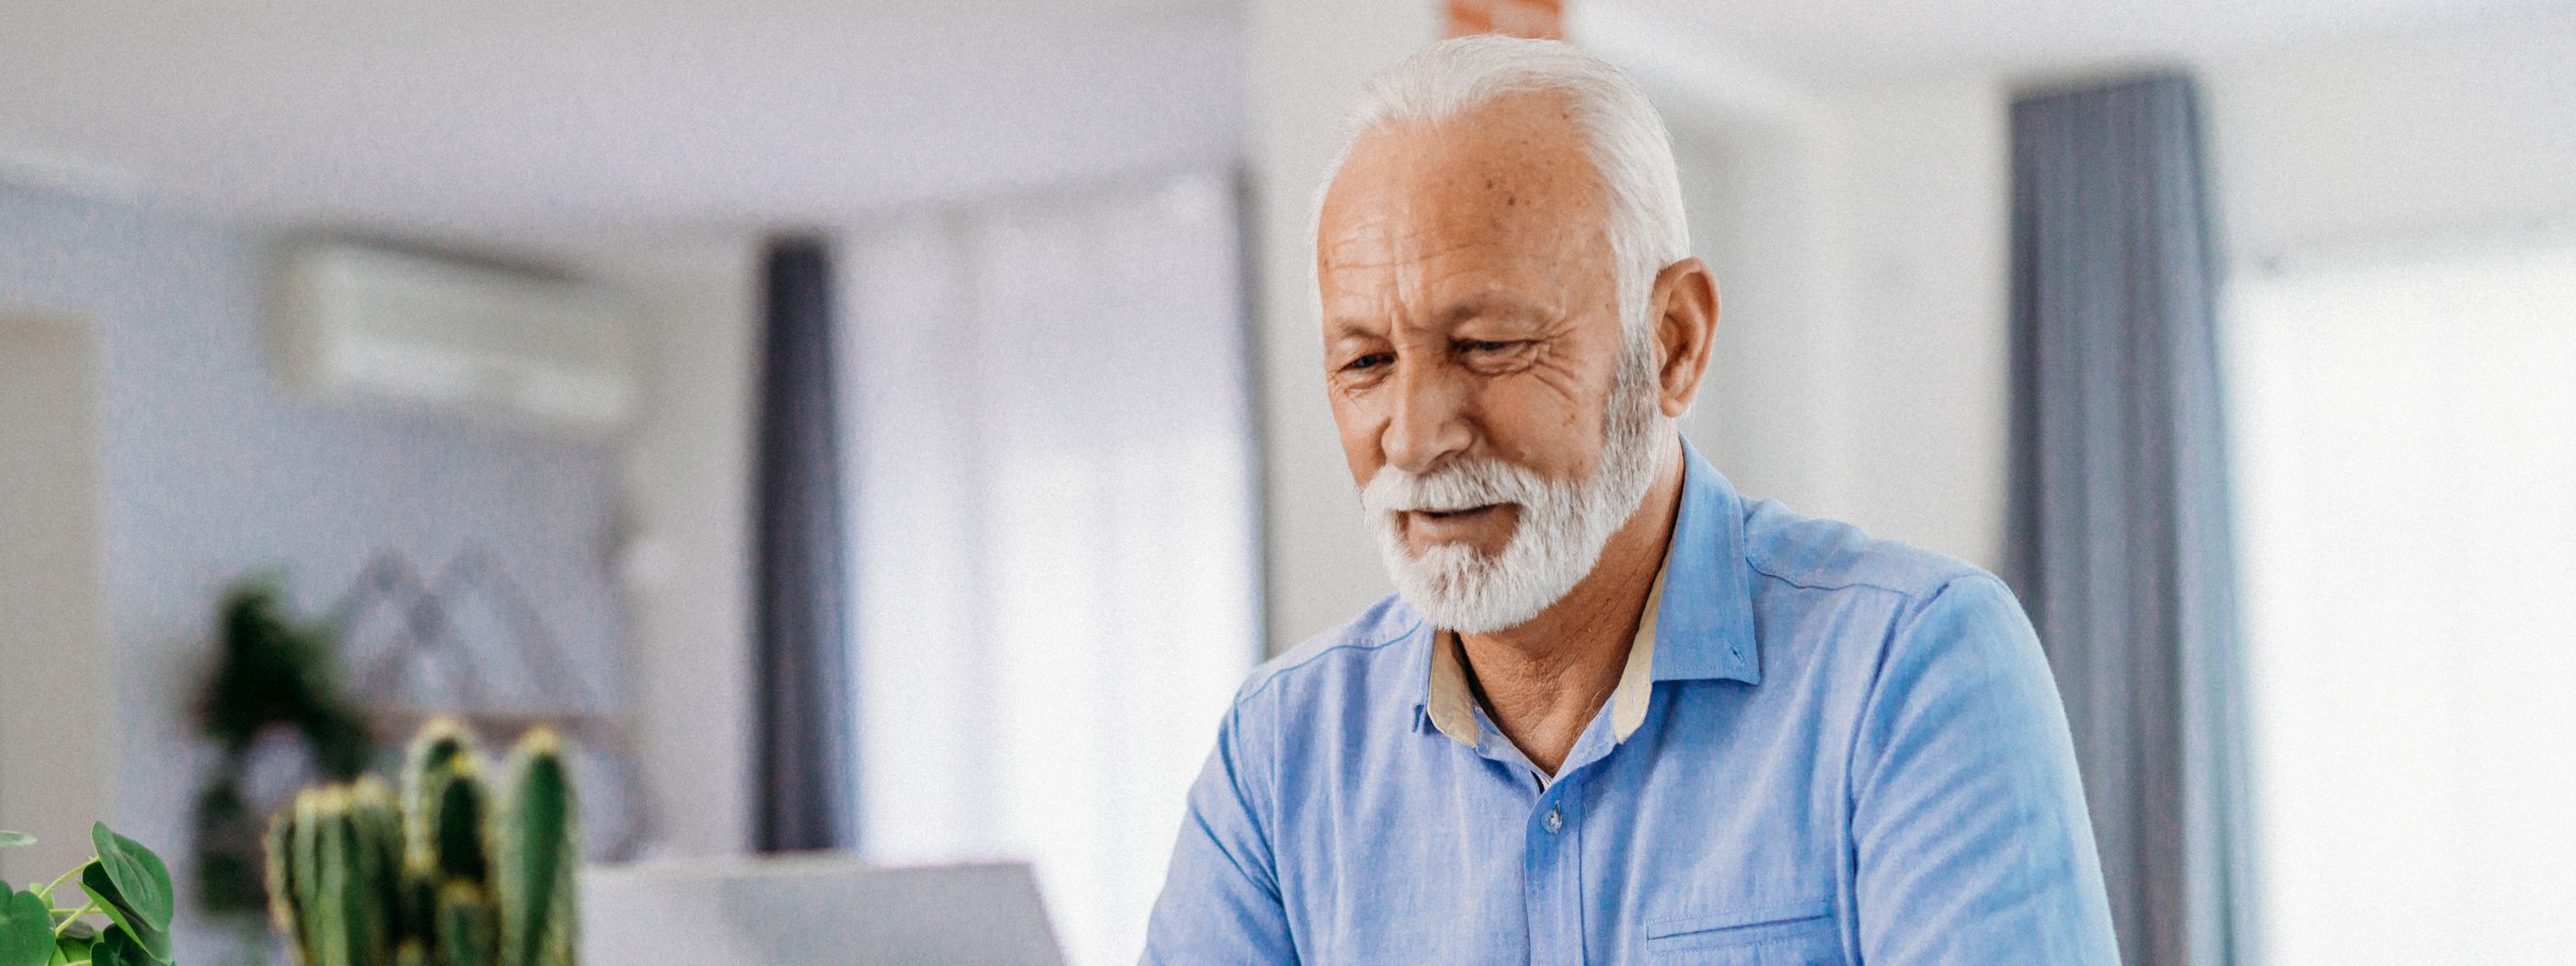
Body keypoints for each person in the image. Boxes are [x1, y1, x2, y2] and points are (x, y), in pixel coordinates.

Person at [1142, 34, 2120, 964]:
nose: (1415, 432)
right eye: (1364, 361)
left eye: (1487, 346)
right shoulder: (1279, 751)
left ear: (1674, 343)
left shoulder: (1907, 670)